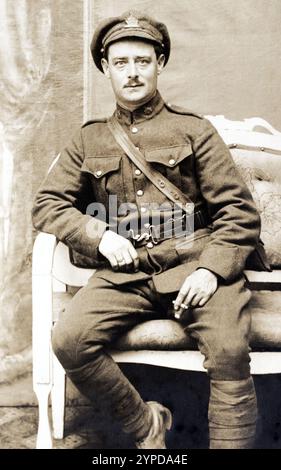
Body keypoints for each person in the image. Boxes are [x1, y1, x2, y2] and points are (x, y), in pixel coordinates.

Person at [32, 10, 261, 449]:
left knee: (230, 349)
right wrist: (100, 235)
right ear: (106, 69)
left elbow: (238, 212)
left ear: (159, 64)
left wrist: (211, 270)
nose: (132, 73)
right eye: (121, 63)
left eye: (142, 61)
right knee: (69, 339)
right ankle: (145, 426)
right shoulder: (88, 140)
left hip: (196, 266)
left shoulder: (194, 130)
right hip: (128, 271)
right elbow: (47, 204)